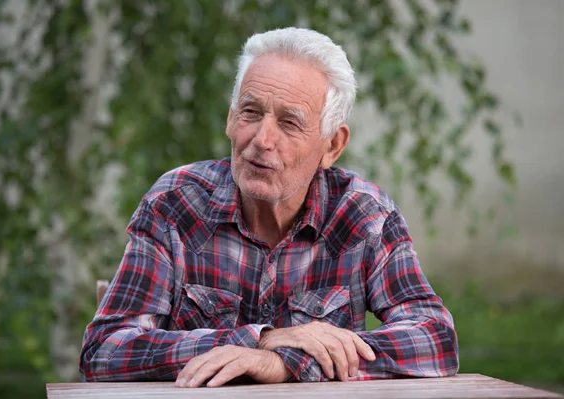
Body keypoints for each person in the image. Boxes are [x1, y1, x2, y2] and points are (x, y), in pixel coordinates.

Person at [79, 27, 459, 387]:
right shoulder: (175, 203)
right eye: (250, 112)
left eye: (290, 123)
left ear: (332, 146)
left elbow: (435, 339)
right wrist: (261, 340)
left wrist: (287, 363)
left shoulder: (364, 215)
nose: (262, 139)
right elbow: (104, 350)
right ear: (230, 118)